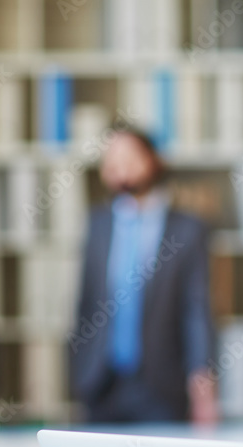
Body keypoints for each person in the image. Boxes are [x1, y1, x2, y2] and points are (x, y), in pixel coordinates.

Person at [70, 129, 218, 424]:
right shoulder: (97, 224)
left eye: (128, 156)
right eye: (110, 159)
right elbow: (85, 303)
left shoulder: (187, 229)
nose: (118, 166)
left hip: (161, 385)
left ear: (153, 160)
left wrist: (202, 384)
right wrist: (77, 371)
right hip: (101, 383)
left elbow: (196, 309)